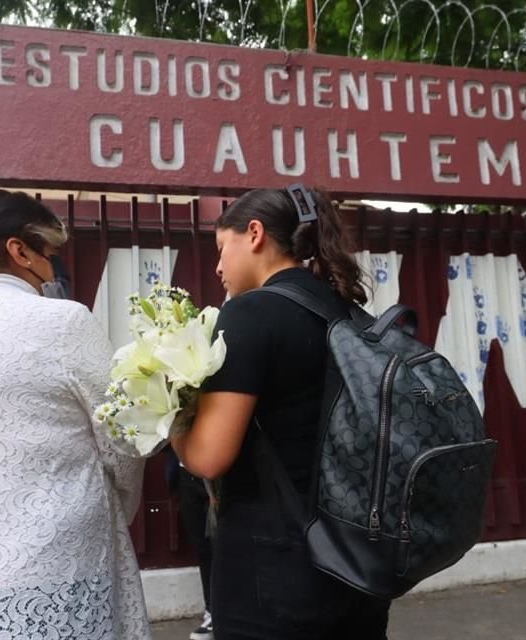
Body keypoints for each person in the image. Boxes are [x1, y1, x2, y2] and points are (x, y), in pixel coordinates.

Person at [0, 189, 150, 640]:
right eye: (50, 254)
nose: (53, 269)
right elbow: (123, 437)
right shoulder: (63, 322)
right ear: (19, 250)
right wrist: (123, 505)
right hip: (51, 571)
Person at [170, 186, 392, 640]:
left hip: (273, 564)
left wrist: (169, 416)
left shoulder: (251, 314)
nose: (217, 266)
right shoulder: (350, 313)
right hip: (358, 560)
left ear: (254, 234)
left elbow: (209, 457)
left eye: (220, 248)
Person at [165, 446, 214, 640]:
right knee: (202, 548)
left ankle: (230, 609)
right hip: (185, 471)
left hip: (221, 470)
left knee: (225, 545)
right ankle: (212, 612)